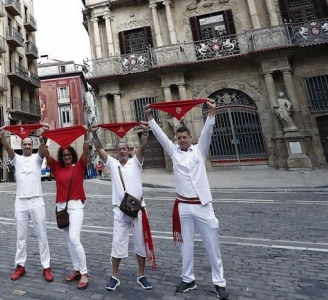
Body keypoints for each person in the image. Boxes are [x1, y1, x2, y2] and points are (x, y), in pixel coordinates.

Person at [146, 100, 229, 300]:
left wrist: (212, 112)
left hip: (202, 205)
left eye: (185, 137)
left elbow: (208, 131)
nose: (182, 140)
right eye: (179, 137)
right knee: (186, 246)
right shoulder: (173, 151)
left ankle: (219, 283)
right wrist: (150, 117)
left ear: (191, 138)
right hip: (183, 205)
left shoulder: (200, 150)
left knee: (212, 246)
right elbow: (159, 135)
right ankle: (188, 278)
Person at [91, 126, 153, 292]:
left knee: (140, 244)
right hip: (120, 212)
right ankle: (115, 276)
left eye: (125, 149)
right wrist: (94, 132)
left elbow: (143, 146)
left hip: (138, 210)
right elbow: (99, 148)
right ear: (116, 152)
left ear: (129, 150)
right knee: (117, 244)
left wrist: (145, 132)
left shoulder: (136, 162)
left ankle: (141, 275)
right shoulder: (112, 164)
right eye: (119, 149)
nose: (122, 151)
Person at [0, 126, 53, 283]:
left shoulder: (37, 158)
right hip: (21, 202)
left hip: (37, 200)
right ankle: (20, 265)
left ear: (33, 145)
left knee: (42, 235)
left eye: (30, 144)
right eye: (25, 144)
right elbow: (8, 148)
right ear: (21, 146)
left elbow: (44, 148)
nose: (27, 146)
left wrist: (44, 134)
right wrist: (3, 135)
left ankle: (46, 266)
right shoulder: (17, 159)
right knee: (20, 236)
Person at [41, 130, 90, 290]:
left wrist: (86, 137)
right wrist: (43, 138)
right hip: (61, 208)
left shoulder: (80, 167)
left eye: (69, 155)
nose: (67, 157)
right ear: (61, 156)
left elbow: (86, 152)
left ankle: (84, 272)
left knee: (75, 239)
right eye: (64, 155)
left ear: (72, 155)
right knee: (69, 241)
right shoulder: (56, 168)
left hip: (76, 207)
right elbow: (45, 153)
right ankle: (76, 269)